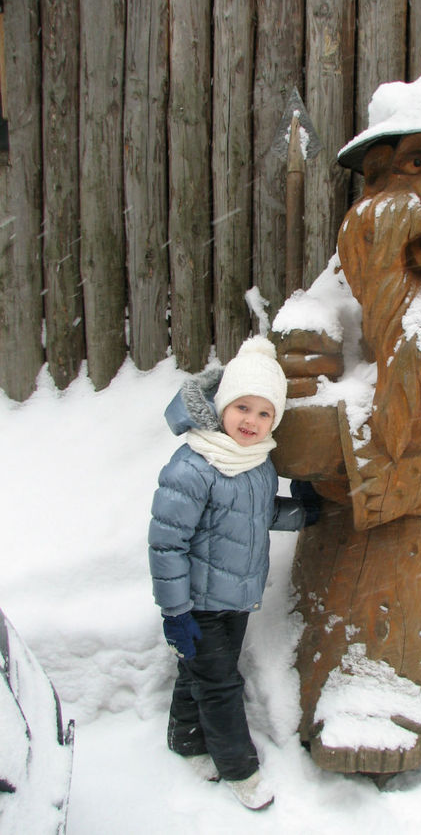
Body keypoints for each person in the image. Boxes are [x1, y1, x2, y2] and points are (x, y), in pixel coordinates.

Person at [148, 336, 307, 811]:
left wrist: (303, 513)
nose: (251, 422)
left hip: (236, 598)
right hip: (197, 604)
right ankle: (241, 770)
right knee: (220, 684)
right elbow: (166, 542)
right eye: (242, 407)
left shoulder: (257, 464)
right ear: (221, 406)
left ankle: (186, 738)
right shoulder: (194, 465)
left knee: (197, 671)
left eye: (264, 413)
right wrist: (176, 612)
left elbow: (255, 517)